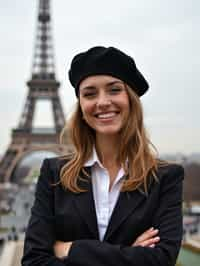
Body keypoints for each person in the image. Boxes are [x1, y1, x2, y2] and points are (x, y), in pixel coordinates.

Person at [21, 46, 184, 266]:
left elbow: (161, 260)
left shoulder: (166, 177)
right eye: (89, 93)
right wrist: (129, 254)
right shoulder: (53, 173)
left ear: (131, 99)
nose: (102, 101)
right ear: (81, 106)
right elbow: (34, 262)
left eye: (114, 90)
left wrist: (70, 248)